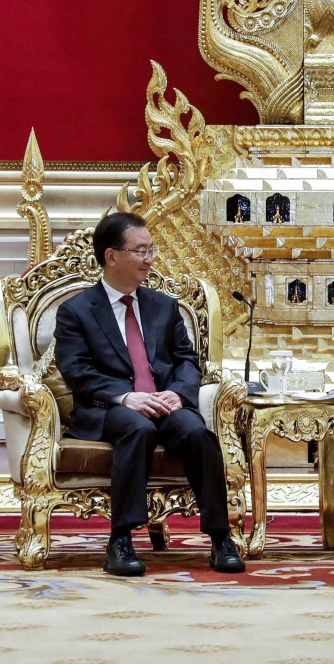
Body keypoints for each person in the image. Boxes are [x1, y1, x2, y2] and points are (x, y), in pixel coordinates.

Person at [54, 213, 245, 576]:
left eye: (151, 250)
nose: (150, 259)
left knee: (198, 434)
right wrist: (126, 397)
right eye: (140, 251)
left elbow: (187, 359)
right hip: (109, 407)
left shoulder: (163, 306)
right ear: (111, 256)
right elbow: (76, 371)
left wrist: (178, 393)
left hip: (163, 402)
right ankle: (120, 541)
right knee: (137, 428)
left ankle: (221, 538)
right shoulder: (76, 311)